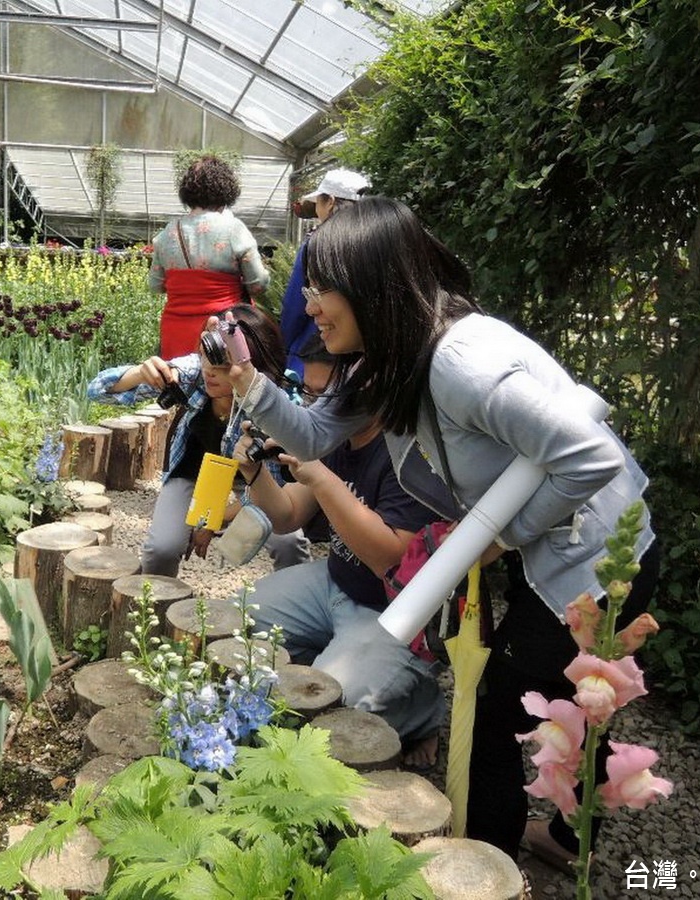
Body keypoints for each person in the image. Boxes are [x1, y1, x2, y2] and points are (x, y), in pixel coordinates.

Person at [225, 197, 659, 864]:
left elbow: (592, 458)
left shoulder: (461, 364)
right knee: (566, 698)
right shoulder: (393, 358)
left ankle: (485, 864)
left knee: (499, 718)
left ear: (372, 283)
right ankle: (564, 842)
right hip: (549, 546)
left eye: (321, 287)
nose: (308, 305)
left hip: (596, 556)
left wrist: (501, 537)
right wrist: (248, 382)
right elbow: (311, 435)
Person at [233, 410, 444, 766]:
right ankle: (325, 662)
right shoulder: (335, 437)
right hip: (335, 580)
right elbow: (286, 516)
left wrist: (322, 479)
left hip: (392, 612)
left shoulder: (409, 453)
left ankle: (420, 709)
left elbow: (390, 565)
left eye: (325, 392)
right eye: (312, 392)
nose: (316, 405)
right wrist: (254, 472)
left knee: (334, 708)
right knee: (234, 622)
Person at [87, 304, 308, 577]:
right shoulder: (193, 373)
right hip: (192, 465)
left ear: (254, 365)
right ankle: (153, 605)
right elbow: (97, 390)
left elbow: (277, 491)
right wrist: (140, 373)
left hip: (253, 474)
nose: (210, 371)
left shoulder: (271, 403)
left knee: (289, 542)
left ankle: (296, 599)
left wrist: (214, 519)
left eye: (224, 364)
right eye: (206, 357)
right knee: (162, 548)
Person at [148, 155, 270, 358]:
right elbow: (258, 284)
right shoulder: (234, 229)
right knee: (220, 385)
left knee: (181, 382)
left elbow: (155, 285)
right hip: (223, 329)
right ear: (226, 191)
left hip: (176, 329)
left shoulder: (167, 234)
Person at [280, 168, 370, 377]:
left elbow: (295, 305)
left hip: (314, 353)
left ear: (330, 201)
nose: (317, 210)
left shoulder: (316, 245)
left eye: (318, 203)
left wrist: (283, 345)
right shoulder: (371, 242)